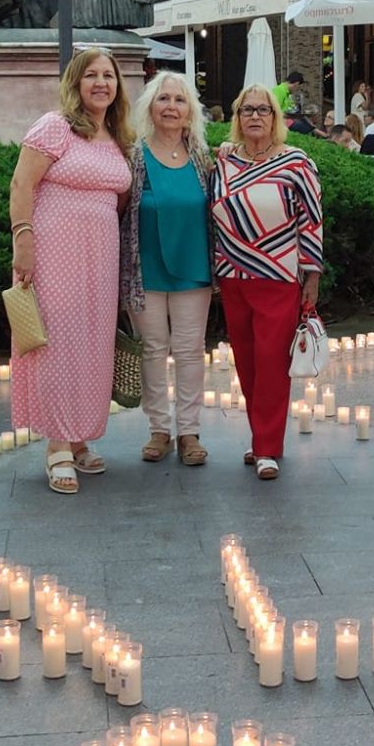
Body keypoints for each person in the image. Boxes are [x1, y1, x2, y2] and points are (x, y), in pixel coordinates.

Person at [9, 48, 132, 495]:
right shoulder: (54, 126)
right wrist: (23, 240)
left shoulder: (117, 136)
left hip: (100, 256)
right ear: (76, 83)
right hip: (53, 250)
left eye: (109, 76)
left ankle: (80, 435)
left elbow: (118, 199)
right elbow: (22, 184)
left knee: (92, 343)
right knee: (57, 341)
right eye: (92, 76)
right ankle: (56, 444)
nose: (101, 83)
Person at [210, 85, 322, 481]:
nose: (255, 116)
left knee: (273, 363)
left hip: (278, 276)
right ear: (236, 117)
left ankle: (268, 448)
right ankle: (261, 436)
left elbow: (310, 219)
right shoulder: (223, 162)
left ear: (276, 118)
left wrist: (312, 275)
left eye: (263, 110)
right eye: (246, 110)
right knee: (247, 363)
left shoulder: (296, 162)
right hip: (233, 275)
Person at [120, 71, 214, 469]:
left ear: (189, 110)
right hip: (146, 270)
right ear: (150, 108)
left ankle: (189, 430)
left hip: (193, 267)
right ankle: (159, 429)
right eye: (163, 100)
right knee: (153, 351)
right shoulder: (133, 155)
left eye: (179, 100)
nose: (171, 107)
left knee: (191, 351)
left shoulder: (203, 159)